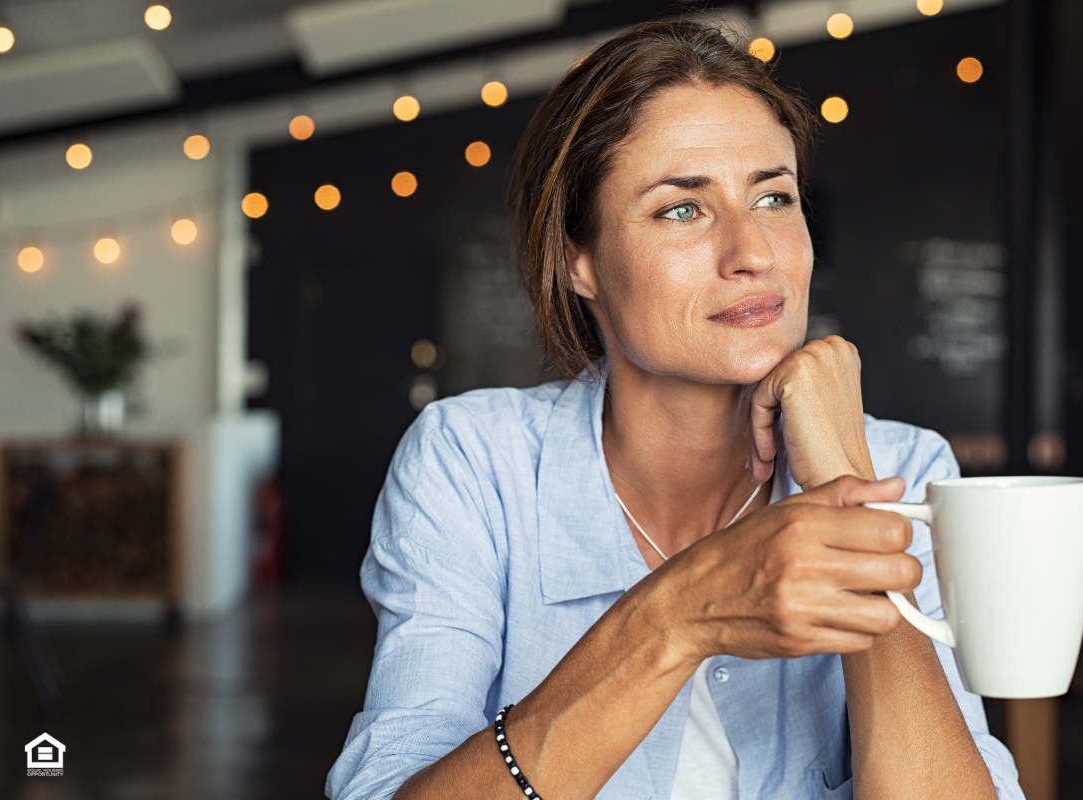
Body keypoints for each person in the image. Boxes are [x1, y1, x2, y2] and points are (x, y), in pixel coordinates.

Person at [328, 19, 1022, 800]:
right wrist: (679, 616)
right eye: (682, 210)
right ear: (576, 259)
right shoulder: (473, 462)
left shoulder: (903, 470)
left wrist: (842, 476)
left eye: (774, 196)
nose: (753, 251)